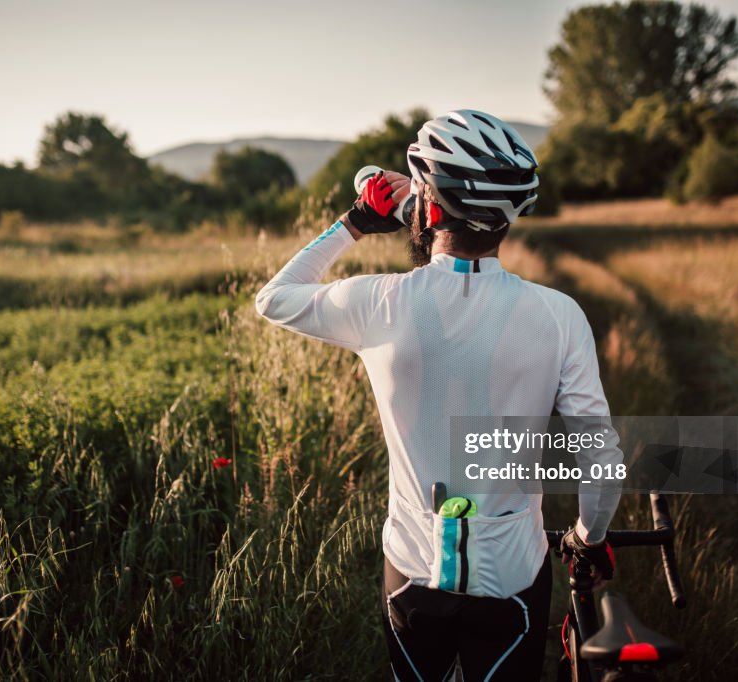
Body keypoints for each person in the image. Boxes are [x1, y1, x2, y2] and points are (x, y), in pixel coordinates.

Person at [256, 110, 622, 680]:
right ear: (509, 217)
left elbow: (274, 299)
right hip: (512, 575)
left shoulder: (378, 303)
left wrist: (354, 222)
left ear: (426, 206)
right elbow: (601, 458)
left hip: (412, 569)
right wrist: (587, 536)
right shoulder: (560, 316)